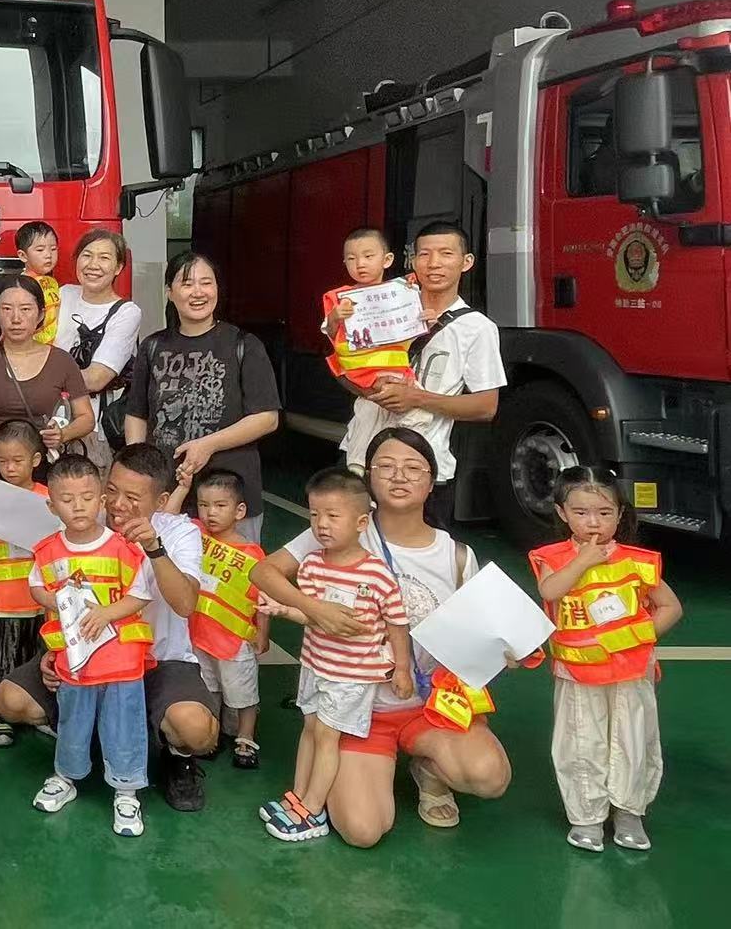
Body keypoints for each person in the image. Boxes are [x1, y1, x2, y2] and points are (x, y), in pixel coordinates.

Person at [249, 428, 513, 847]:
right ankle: (373, 769)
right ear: (367, 476)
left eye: (413, 468)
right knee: (362, 831)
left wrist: (505, 652)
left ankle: (427, 767)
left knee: (488, 775)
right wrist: (317, 610)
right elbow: (263, 572)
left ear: (433, 478)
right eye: (385, 467)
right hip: (358, 711)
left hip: (428, 706)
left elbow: (483, 636)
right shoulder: (341, 529)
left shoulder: (457, 556)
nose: (399, 476)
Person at [0, 444, 220, 812]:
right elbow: (54, 594)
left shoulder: (179, 532)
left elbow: (185, 604)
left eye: (132, 497)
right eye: (111, 490)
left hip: (158, 660)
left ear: (162, 499)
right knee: (9, 701)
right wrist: (55, 651)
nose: (116, 505)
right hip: (85, 656)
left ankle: (176, 758)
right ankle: (94, 737)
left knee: (195, 729)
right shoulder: (78, 518)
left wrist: (153, 548)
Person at [531, 467, 681, 852]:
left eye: (604, 512)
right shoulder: (554, 557)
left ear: (620, 513)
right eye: (580, 512)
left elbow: (670, 607)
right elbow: (551, 589)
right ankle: (587, 816)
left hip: (631, 670)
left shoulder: (637, 561)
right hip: (578, 670)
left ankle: (630, 812)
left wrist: (636, 637)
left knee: (632, 737)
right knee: (581, 738)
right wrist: (583, 561)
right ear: (563, 513)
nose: (593, 522)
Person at [260, 469, 411, 842]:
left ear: (361, 522)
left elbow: (397, 623)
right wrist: (285, 611)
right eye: (314, 515)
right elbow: (311, 614)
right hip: (315, 664)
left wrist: (402, 668)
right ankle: (297, 797)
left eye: (332, 516)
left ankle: (312, 810)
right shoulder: (311, 566)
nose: (321, 525)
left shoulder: (377, 575)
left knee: (327, 735)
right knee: (309, 729)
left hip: (352, 675)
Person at [27, 454, 157, 838]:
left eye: (86, 496)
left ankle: (127, 789)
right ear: (51, 505)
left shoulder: (122, 547)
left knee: (124, 724)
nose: (78, 506)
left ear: (101, 499)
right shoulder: (47, 550)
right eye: (67, 499)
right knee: (73, 722)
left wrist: (105, 614)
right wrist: (56, 602)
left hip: (121, 662)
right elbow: (36, 587)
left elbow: (140, 596)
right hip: (75, 661)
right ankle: (66, 777)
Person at [125, 251, 279, 544]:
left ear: (217, 289)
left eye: (206, 283)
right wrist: (139, 468)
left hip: (231, 499)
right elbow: (137, 413)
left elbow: (267, 418)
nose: (198, 292)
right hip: (168, 495)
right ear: (170, 292)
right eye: (187, 284)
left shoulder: (244, 344)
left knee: (230, 585)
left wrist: (207, 445)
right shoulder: (153, 346)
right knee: (167, 577)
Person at [358, 222, 505, 528]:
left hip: (424, 469)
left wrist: (415, 397)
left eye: (446, 253)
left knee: (420, 564)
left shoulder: (477, 328)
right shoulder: (385, 310)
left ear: (467, 263)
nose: (434, 263)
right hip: (363, 460)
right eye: (424, 254)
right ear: (412, 261)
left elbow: (486, 407)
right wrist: (368, 387)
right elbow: (344, 369)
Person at [165, 467, 268, 769]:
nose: (210, 513)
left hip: (234, 640)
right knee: (208, 687)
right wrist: (182, 488)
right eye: (204, 505)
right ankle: (212, 735)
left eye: (220, 506)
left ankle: (245, 738)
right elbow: (167, 520)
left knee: (242, 693)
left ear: (240, 511)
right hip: (199, 635)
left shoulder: (252, 554)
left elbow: (263, 600)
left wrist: (262, 633)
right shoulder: (194, 534)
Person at [0, 420, 49, 746]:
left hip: (40, 600)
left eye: (17, 460)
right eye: (3, 461)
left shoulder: (48, 499)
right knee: (0, 657)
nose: (10, 468)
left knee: (36, 654)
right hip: (2, 596)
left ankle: (37, 709)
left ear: (36, 460)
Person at [324, 227, 430, 472]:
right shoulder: (341, 299)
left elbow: (414, 331)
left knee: (418, 417)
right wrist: (335, 318)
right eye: (352, 259)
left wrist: (427, 319)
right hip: (364, 379)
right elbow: (329, 333)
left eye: (368, 256)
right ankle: (358, 474)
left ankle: (399, 463)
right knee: (365, 424)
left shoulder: (402, 294)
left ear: (387, 259)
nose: (360, 264)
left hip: (399, 375)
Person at [0, 273, 93, 456]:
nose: (16, 318)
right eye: (6, 309)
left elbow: (86, 418)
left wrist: (62, 434)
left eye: (26, 309)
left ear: (40, 314)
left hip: (45, 467)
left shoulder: (62, 361)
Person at [54, 228, 143, 470]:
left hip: (94, 429)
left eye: (104, 258)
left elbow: (95, 379)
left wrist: (40, 376)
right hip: (51, 420)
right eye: (87, 255)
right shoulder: (63, 294)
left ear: (118, 267)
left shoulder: (127, 312)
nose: (94, 264)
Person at [16, 221, 61, 345]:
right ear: (23, 256)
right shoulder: (20, 287)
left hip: (52, 349)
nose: (48, 255)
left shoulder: (52, 282)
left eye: (53, 249)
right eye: (40, 250)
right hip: (30, 350)